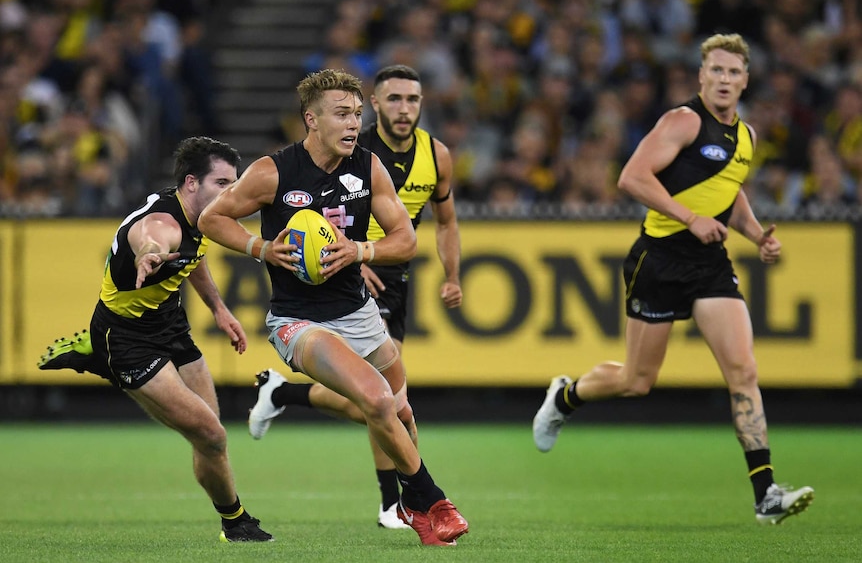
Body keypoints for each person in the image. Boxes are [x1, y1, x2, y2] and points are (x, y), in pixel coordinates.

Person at [531, 33, 815, 525]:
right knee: (636, 382)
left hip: (709, 264)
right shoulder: (683, 121)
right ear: (701, 77)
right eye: (716, 71)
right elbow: (632, 177)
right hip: (659, 259)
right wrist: (689, 218)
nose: (724, 80)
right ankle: (565, 396)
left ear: (746, 81)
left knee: (743, 371)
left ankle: (765, 494)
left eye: (733, 72)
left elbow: (730, 191)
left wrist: (755, 236)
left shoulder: (744, 136)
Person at [196, 68, 469, 546]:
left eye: (357, 114)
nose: (352, 124)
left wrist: (359, 250)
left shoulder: (368, 167)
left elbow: (406, 239)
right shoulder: (273, 171)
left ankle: (411, 505)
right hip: (298, 322)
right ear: (311, 120)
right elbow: (210, 216)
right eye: (342, 114)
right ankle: (432, 502)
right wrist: (260, 248)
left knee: (401, 414)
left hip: (358, 313)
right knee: (378, 399)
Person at [37, 136, 273, 542]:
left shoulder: (200, 217)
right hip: (127, 338)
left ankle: (233, 521)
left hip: (168, 322)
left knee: (211, 436)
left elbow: (191, 260)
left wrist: (218, 308)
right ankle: (236, 523)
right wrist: (148, 252)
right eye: (222, 183)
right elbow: (153, 239)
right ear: (191, 183)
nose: (231, 192)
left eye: (233, 183)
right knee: (212, 435)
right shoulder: (163, 223)